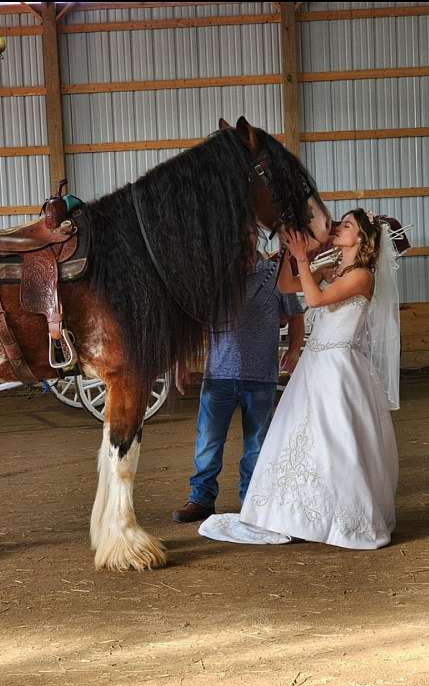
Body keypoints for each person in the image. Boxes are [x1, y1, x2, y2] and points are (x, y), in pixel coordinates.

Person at [198, 209, 400, 550]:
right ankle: (298, 510)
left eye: (347, 225)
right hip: (315, 364)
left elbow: (317, 298)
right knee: (298, 437)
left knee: (337, 439)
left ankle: (343, 515)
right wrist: (293, 255)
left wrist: (304, 260)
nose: (338, 228)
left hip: (339, 366)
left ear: (363, 238)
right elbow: (287, 285)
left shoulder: (362, 276)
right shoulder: (335, 269)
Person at [171, 237, 305, 523]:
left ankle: (252, 502)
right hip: (218, 375)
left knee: (256, 445)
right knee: (208, 441)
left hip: (261, 377)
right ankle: (201, 499)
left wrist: (294, 350)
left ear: (255, 239)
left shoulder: (275, 274)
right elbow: (191, 321)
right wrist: (180, 363)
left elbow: (295, 315)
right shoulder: (215, 279)